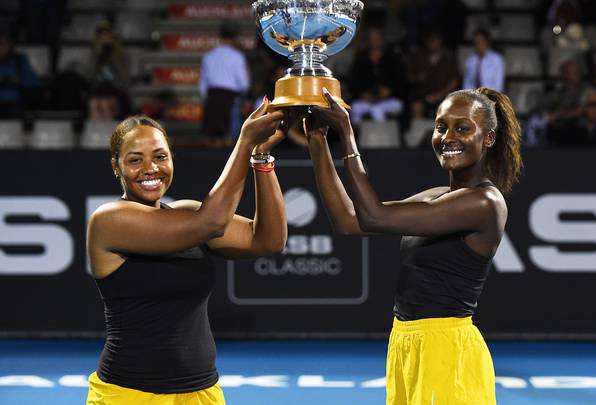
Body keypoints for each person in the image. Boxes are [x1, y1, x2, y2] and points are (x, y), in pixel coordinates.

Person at [303, 86, 522, 404]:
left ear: (488, 138)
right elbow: (350, 221)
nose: (448, 137)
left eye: (462, 127)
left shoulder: (486, 202)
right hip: (405, 344)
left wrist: (347, 133)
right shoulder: (435, 195)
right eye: (441, 126)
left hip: (446, 351)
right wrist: (318, 141)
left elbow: (375, 216)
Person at [86, 100, 287, 404]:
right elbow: (212, 222)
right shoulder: (108, 220)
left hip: (201, 392)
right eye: (135, 160)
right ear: (116, 167)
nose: (151, 169)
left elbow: (268, 239)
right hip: (130, 394)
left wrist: (260, 157)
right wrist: (244, 142)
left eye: (160, 156)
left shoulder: (188, 214)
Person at [200, 23, 250, 148]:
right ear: (234, 38)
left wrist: (205, 97)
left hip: (213, 94)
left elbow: (203, 80)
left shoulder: (209, 56)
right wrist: (244, 94)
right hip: (230, 96)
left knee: (212, 133)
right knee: (229, 134)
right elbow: (243, 81)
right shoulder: (237, 56)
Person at [87, 21, 131, 120]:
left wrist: (113, 58)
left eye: (107, 36)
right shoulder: (95, 55)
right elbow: (89, 76)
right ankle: (98, 132)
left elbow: (124, 79)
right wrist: (97, 56)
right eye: (102, 37)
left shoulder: (123, 56)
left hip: (117, 91)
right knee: (93, 103)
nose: (105, 40)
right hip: (99, 91)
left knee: (105, 104)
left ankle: (109, 133)